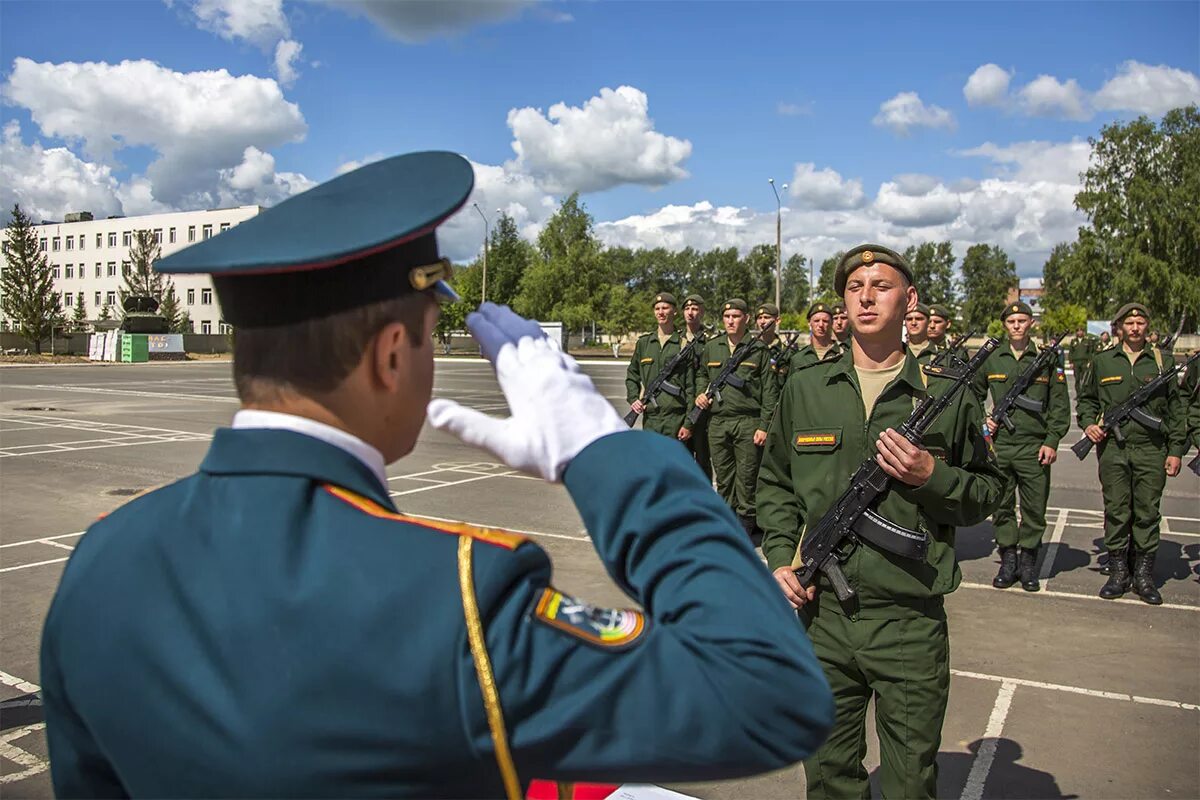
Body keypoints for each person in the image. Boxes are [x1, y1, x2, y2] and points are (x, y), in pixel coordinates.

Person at [39, 153, 834, 798]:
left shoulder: (102, 559)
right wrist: (604, 452)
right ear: (391, 356)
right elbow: (768, 694)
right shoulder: (453, 595)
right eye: (425, 337)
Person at [758, 244, 1002, 800]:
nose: (866, 297)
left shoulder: (948, 394)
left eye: (882, 286)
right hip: (820, 620)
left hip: (908, 624)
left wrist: (930, 476)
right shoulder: (807, 389)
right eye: (854, 288)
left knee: (910, 782)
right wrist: (778, 559)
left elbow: (988, 491)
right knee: (826, 776)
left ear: (909, 298)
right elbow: (773, 485)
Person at [1077, 303, 1186, 605]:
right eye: (1130, 322)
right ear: (1120, 327)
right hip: (1113, 449)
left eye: (1140, 322)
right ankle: (1118, 572)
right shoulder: (1102, 361)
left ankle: (1144, 575)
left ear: (1147, 326)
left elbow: (1177, 410)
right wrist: (1089, 426)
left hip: (1152, 450)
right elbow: (1086, 401)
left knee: (1147, 512)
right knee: (1116, 510)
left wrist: (1176, 450)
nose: (1136, 327)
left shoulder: (1162, 362)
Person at [971, 302, 1070, 592]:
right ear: (1005, 325)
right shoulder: (993, 357)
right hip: (1000, 446)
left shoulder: (1046, 359)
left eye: (1022, 320)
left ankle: (1028, 562)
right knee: (1001, 506)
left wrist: (1052, 441)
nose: (1016, 325)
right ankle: (1008, 559)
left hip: (1033, 446)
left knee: (1034, 508)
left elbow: (1059, 404)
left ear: (1031, 324)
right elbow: (973, 394)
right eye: (1011, 320)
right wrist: (983, 421)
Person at [694, 299, 777, 539]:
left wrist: (764, 425)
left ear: (746, 319)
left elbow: (770, 392)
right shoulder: (712, 346)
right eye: (727, 316)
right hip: (718, 422)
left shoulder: (759, 350)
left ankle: (745, 525)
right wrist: (701, 393)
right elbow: (701, 374)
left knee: (747, 476)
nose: (731, 320)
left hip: (748, 421)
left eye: (736, 316)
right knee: (724, 476)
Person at [625, 292, 691, 442]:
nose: (661, 312)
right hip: (651, 418)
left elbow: (690, 387)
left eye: (665, 308)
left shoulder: (683, 344)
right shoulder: (644, 343)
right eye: (657, 308)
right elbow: (632, 375)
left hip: (676, 418)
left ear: (674, 311)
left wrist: (688, 423)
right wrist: (634, 398)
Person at [682, 294, 713, 481]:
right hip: (683, 407)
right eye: (687, 309)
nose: (690, 313)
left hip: (703, 409)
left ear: (701, 312)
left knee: (703, 460)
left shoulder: (710, 341)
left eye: (694, 309)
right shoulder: (677, 340)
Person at [789, 302, 845, 370]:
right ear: (809, 323)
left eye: (825, 321)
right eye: (816, 321)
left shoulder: (843, 355)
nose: (821, 325)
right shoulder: (798, 359)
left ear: (832, 323)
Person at [1068, 327, 1099, 396]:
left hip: (1084, 362)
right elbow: (1071, 352)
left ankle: (1084, 394)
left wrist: (1089, 361)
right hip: (1076, 362)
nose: (1079, 332)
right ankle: (1078, 394)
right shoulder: (1073, 341)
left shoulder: (1087, 341)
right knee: (1077, 379)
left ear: (1083, 332)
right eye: (1078, 331)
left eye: (1081, 331)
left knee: (1085, 378)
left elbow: (1091, 352)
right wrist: (1071, 362)